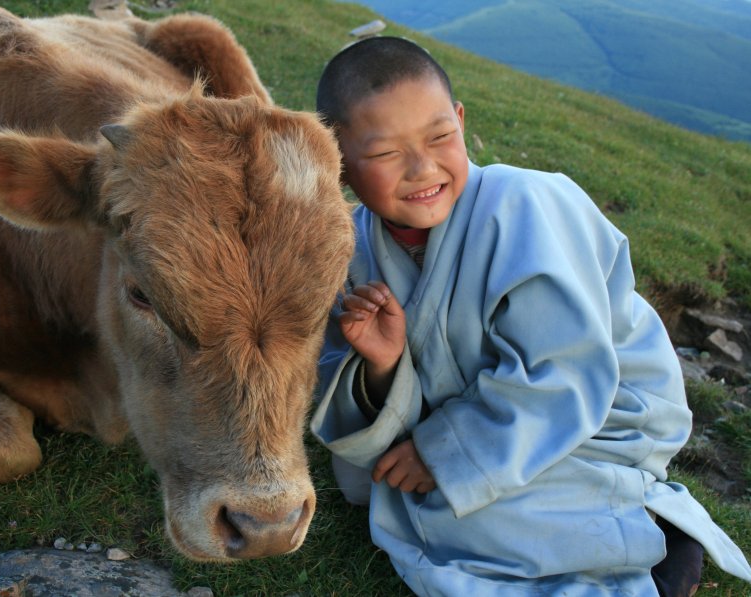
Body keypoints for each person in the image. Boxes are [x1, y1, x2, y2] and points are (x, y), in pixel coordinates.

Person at [311, 36, 751, 596]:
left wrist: (444, 454)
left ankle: (655, 540)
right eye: (384, 153)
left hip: (594, 422)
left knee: (447, 509)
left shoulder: (527, 205)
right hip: (494, 428)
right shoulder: (353, 252)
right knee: (393, 490)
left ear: (462, 120)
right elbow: (342, 385)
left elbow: (564, 370)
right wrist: (382, 364)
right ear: (339, 161)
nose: (422, 168)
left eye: (440, 136)